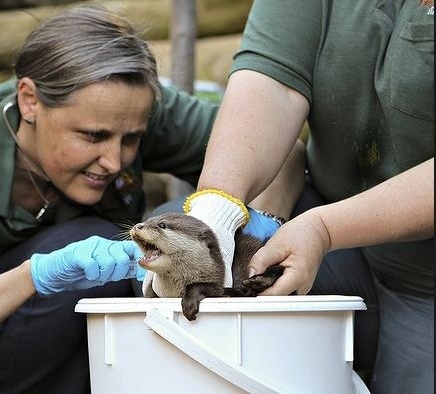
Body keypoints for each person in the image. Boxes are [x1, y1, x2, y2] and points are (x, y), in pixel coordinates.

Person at [0, 4, 305, 393]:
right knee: (89, 241)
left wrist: (254, 234)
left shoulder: (125, 106)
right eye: (93, 136)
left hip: (74, 348)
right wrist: (36, 276)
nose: (113, 160)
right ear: (29, 101)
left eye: (131, 139)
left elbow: (284, 153)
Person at [183, 1, 434, 393]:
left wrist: (325, 229)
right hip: (334, 243)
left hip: (425, 280)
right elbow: (273, 82)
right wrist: (217, 209)